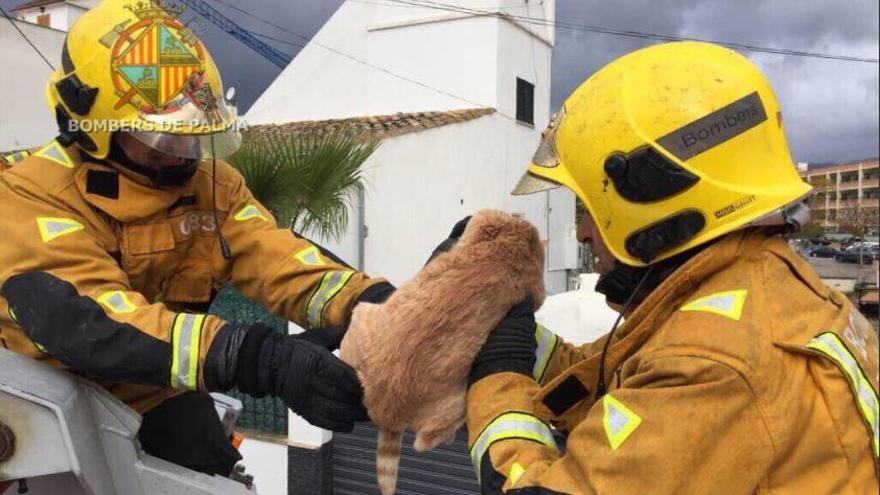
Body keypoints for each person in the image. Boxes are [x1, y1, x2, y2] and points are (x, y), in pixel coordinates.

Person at [462, 42, 880, 494]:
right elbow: (601, 372)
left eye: (588, 207)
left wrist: (497, 374)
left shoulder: (715, 364)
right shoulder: (751, 285)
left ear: (651, 193)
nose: (582, 232)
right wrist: (510, 321)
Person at [0, 0, 393, 476]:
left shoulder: (210, 185)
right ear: (89, 126)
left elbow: (276, 255)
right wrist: (256, 357)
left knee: (214, 476)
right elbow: (95, 322)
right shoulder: (25, 198)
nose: (184, 157)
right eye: (166, 141)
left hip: (158, 390)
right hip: (45, 408)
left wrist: (374, 306)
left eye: (193, 137)